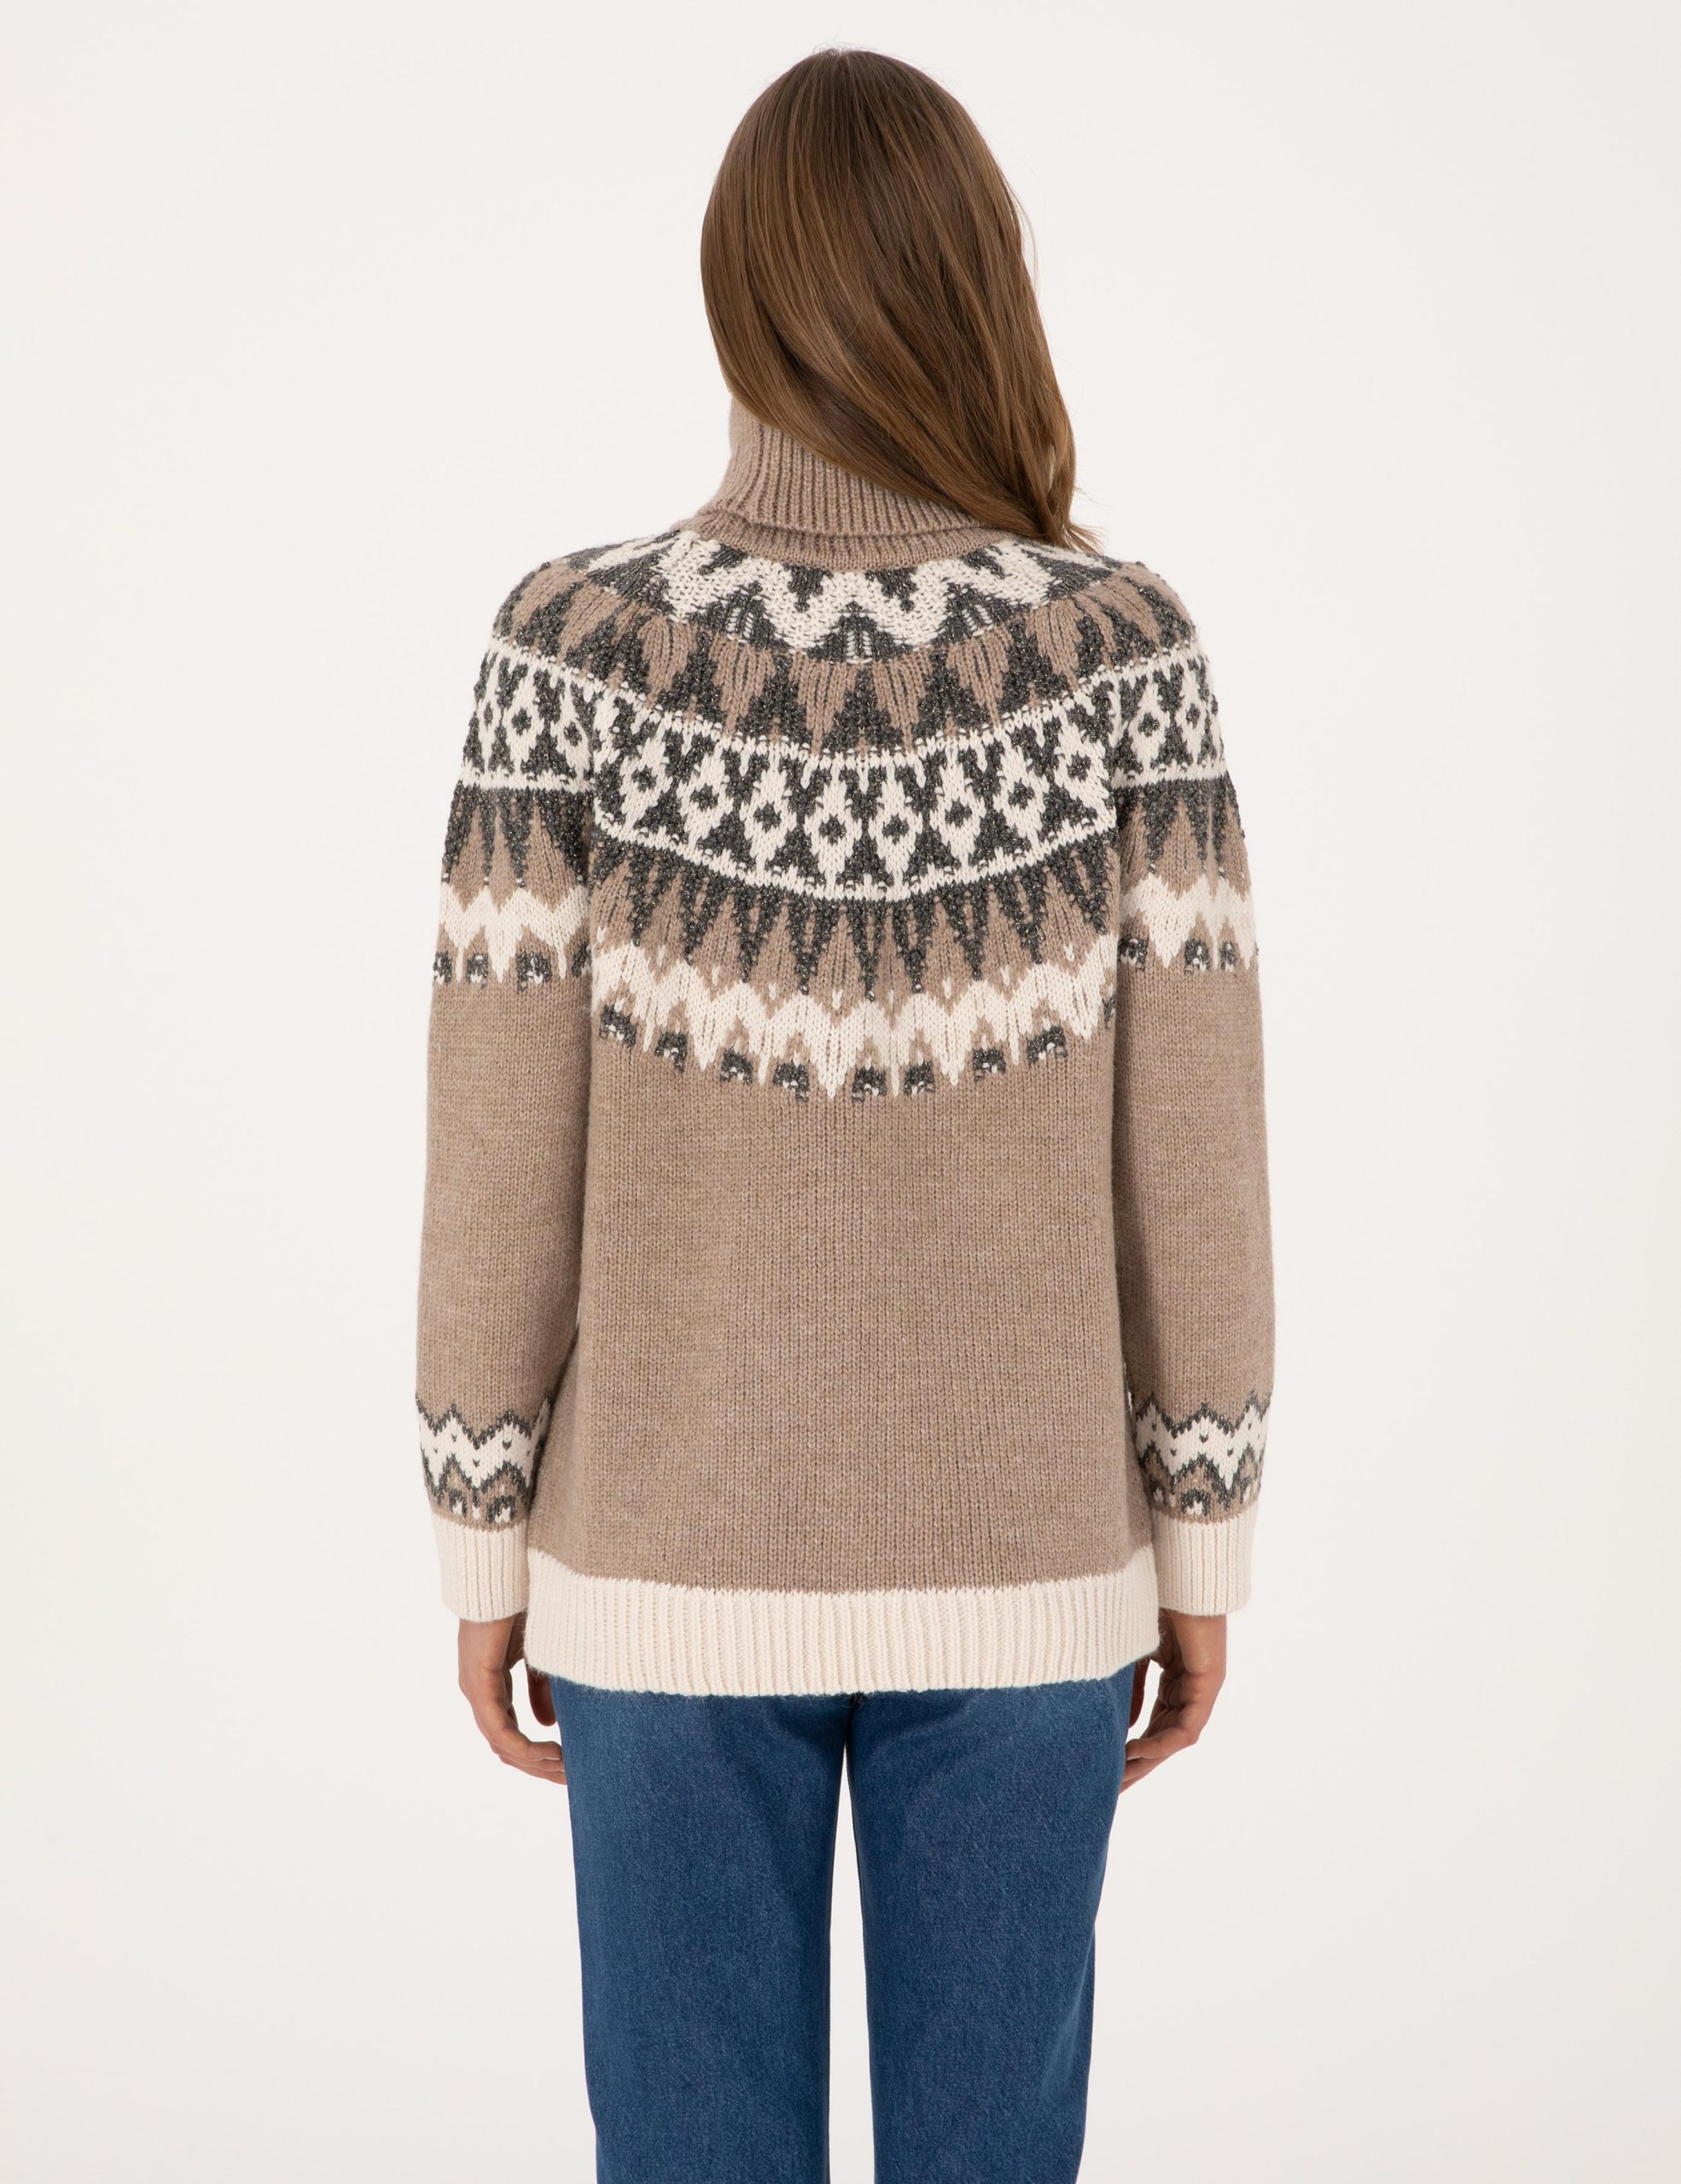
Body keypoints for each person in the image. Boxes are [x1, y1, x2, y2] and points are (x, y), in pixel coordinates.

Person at [416, 45, 1273, 2184]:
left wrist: (479, 1532)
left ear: (736, 287)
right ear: (984, 282)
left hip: (656, 1569)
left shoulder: (569, 650)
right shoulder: (1121, 652)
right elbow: (1196, 1160)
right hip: (1032, 1572)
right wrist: (1202, 1533)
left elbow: (499, 1157)